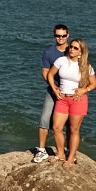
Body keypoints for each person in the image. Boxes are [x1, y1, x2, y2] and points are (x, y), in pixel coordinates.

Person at [47, 38, 96, 168]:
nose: (72, 49)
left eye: (75, 48)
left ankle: (70, 158)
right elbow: (50, 75)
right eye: (71, 47)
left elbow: (94, 84)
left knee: (74, 130)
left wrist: (84, 90)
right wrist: (54, 89)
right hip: (62, 99)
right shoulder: (61, 61)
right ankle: (61, 153)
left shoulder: (86, 66)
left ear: (81, 51)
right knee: (57, 128)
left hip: (78, 100)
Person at [32, 24, 69, 163]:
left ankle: (68, 151)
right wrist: (54, 88)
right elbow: (45, 73)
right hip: (53, 91)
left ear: (67, 36)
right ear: (54, 36)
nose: (60, 38)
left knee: (69, 125)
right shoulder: (48, 52)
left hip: (69, 94)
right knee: (44, 120)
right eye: (57, 35)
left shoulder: (73, 51)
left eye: (63, 35)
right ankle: (41, 151)